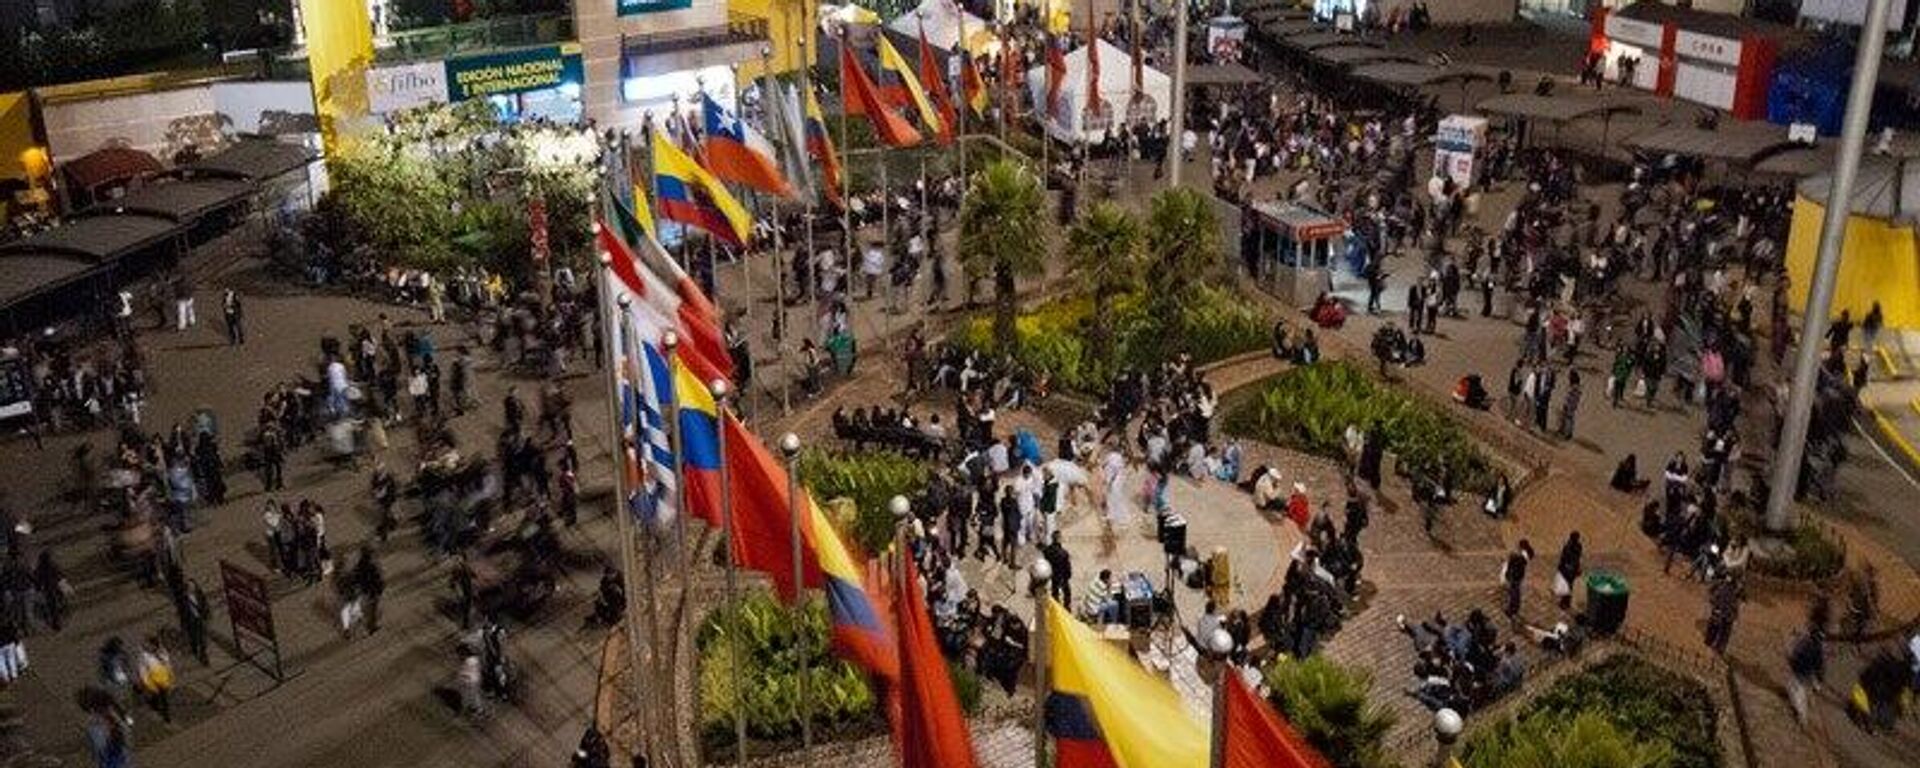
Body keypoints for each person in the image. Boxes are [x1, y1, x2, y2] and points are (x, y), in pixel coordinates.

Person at [353, 546, 386, 635]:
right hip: (373, 590)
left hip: (365, 590)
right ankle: (372, 626)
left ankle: (369, 625)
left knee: (368, 609)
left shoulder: (359, 565)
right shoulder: (373, 565)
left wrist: (358, 587)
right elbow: (378, 577)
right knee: (373, 609)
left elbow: (356, 577)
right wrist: (381, 587)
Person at [1501, 540, 1533, 620]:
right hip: (1520, 575)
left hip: (1514, 576)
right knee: (1516, 592)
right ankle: (1515, 608)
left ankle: (1512, 609)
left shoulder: (1516, 556)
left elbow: (1510, 566)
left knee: (1514, 593)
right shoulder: (1527, 555)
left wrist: (1507, 575)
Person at [1553, 533, 1582, 611]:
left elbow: (1563, 558)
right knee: (1569, 585)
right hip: (1572, 569)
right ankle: (1567, 602)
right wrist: (1578, 568)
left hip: (1567, 569)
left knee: (1567, 585)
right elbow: (1578, 559)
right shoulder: (1578, 546)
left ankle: (1564, 602)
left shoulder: (1568, 547)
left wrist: (1560, 567)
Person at [1041, 533, 1072, 604]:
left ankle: (1056, 605)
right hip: (1062, 575)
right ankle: (1067, 608)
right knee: (1067, 593)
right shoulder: (1064, 553)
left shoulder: (1047, 550)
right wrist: (1068, 575)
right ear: (1058, 539)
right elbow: (1067, 566)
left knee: (1055, 592)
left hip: (1052, 574)